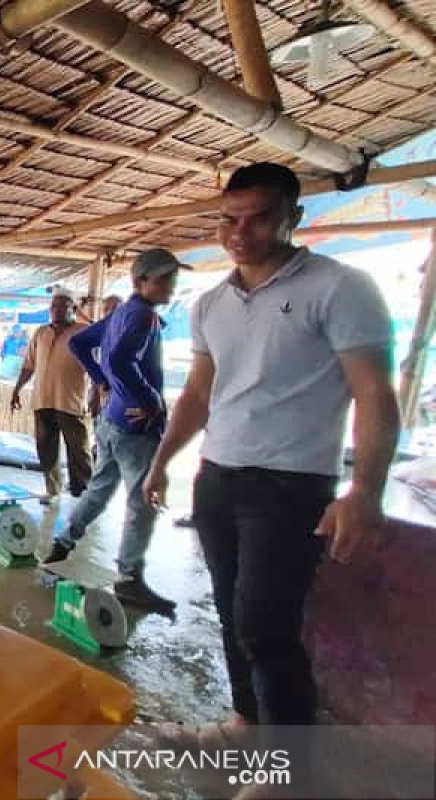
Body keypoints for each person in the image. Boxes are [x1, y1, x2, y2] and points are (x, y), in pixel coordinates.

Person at [142, 163, 398, 762]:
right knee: (234, 614)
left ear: (293, 217)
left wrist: (364, 492)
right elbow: (199, 396)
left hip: (292, 484)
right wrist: (161, 463)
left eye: (259, 218)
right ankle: (245, 722)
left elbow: (374, 396)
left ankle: (289, 763)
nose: (241, 231)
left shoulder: (340, 287)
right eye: (230, 218)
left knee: (265, 623)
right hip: (218, 477)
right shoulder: (210, 302)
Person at [45, 249, 189, 614]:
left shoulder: (123, 312)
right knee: (143, 502)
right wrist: (149, 397)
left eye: (173, 278)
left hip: (111, 422)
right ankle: (129, 579)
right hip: (135, 428)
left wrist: (105, 384)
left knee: (99, 488)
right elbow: (118, 359)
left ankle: (63, 542)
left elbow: (80, 344)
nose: (171, 286)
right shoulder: (141, 315)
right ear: (141, 281)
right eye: (164, 279)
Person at [10, 290, 91, 503]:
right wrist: (17, 389)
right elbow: (28, 366)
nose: (56, 310)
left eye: (63, 306)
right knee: (46, 448)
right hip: (43, 400)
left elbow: (96, 367)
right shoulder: (40, 333)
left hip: (70, 401)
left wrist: (98, 395)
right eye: (53, 306)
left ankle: (82, 492)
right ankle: (52, 489)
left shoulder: (83, 332)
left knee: (78, 449)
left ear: (73, 309)